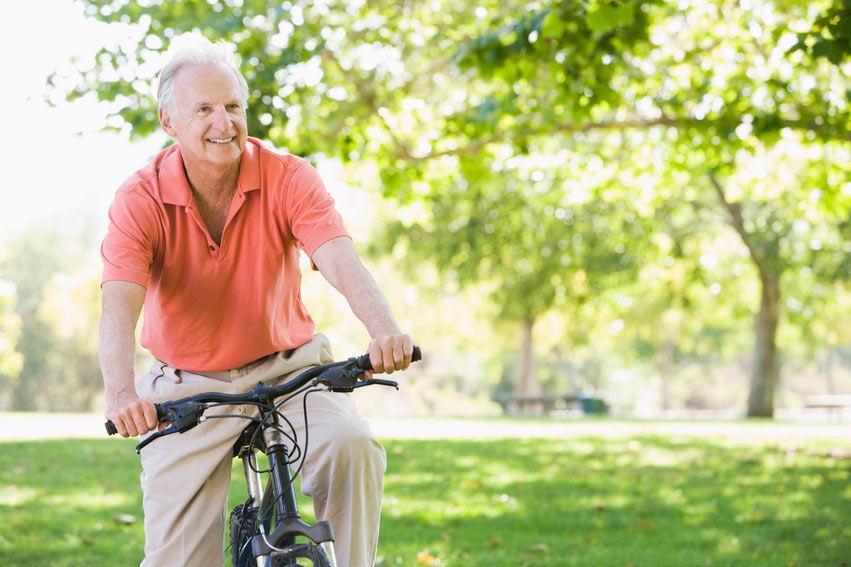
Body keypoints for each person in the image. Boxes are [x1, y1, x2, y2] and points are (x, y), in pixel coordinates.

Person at [99, 38, 414, 567]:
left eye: (233, 107)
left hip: (291, 370)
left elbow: (340, 259)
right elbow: (119, 303)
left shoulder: (288, 175)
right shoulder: (140, 199)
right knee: (177, 559)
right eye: (203, 109)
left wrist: (383, 330)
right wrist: (121, 393)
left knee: (354, 446)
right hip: (188, 384)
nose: (223, 122)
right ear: (169, 121)